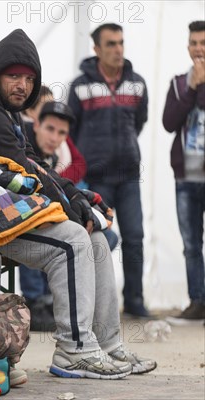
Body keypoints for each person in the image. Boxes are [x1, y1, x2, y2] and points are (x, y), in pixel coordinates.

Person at [0, 29, 156, 379]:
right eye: (13, 76)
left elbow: (32, 160)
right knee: (73, 239)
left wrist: (76, 194)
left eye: (29, 79)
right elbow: (26, 168)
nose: (22, 86)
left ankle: (107, 346)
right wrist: (74, 210)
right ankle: (74, 350)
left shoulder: (4, 108)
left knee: (97, 239)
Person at [67, 23, 150, 318]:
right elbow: (70, 132)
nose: (118, 49)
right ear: (97, 49)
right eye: (111, 44)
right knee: (100, 241)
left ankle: (135, 302)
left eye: (121, 43)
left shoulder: (137, 83)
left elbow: (139, 122)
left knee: (135, 237)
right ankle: (98, 308)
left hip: (128, 176)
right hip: (95, 179)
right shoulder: (79, 86)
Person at [162, 20, 205, 325]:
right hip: (187, 176)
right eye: (194, 42)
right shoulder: (179, 82)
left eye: (203, 42)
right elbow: (169, 122)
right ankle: (198, 301)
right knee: (191, 243)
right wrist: (191, 87)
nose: (198, 48)